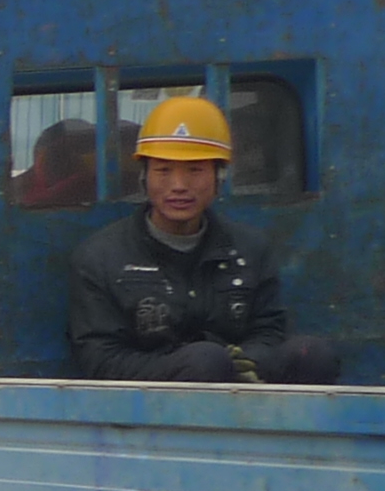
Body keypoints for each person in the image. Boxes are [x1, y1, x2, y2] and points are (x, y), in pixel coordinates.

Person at [67, 99, 343, 383]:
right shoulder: (100, 257)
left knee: (313, 355)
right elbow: (100, 359)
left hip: (244, 389)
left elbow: (268, 331)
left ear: (218, 178)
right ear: (144, 178)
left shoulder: (250, 249)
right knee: (206, 361)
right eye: (163, 170)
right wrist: (195, 364)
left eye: (195, 170)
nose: (179, 186)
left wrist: (246, 362)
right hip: (151, 398)